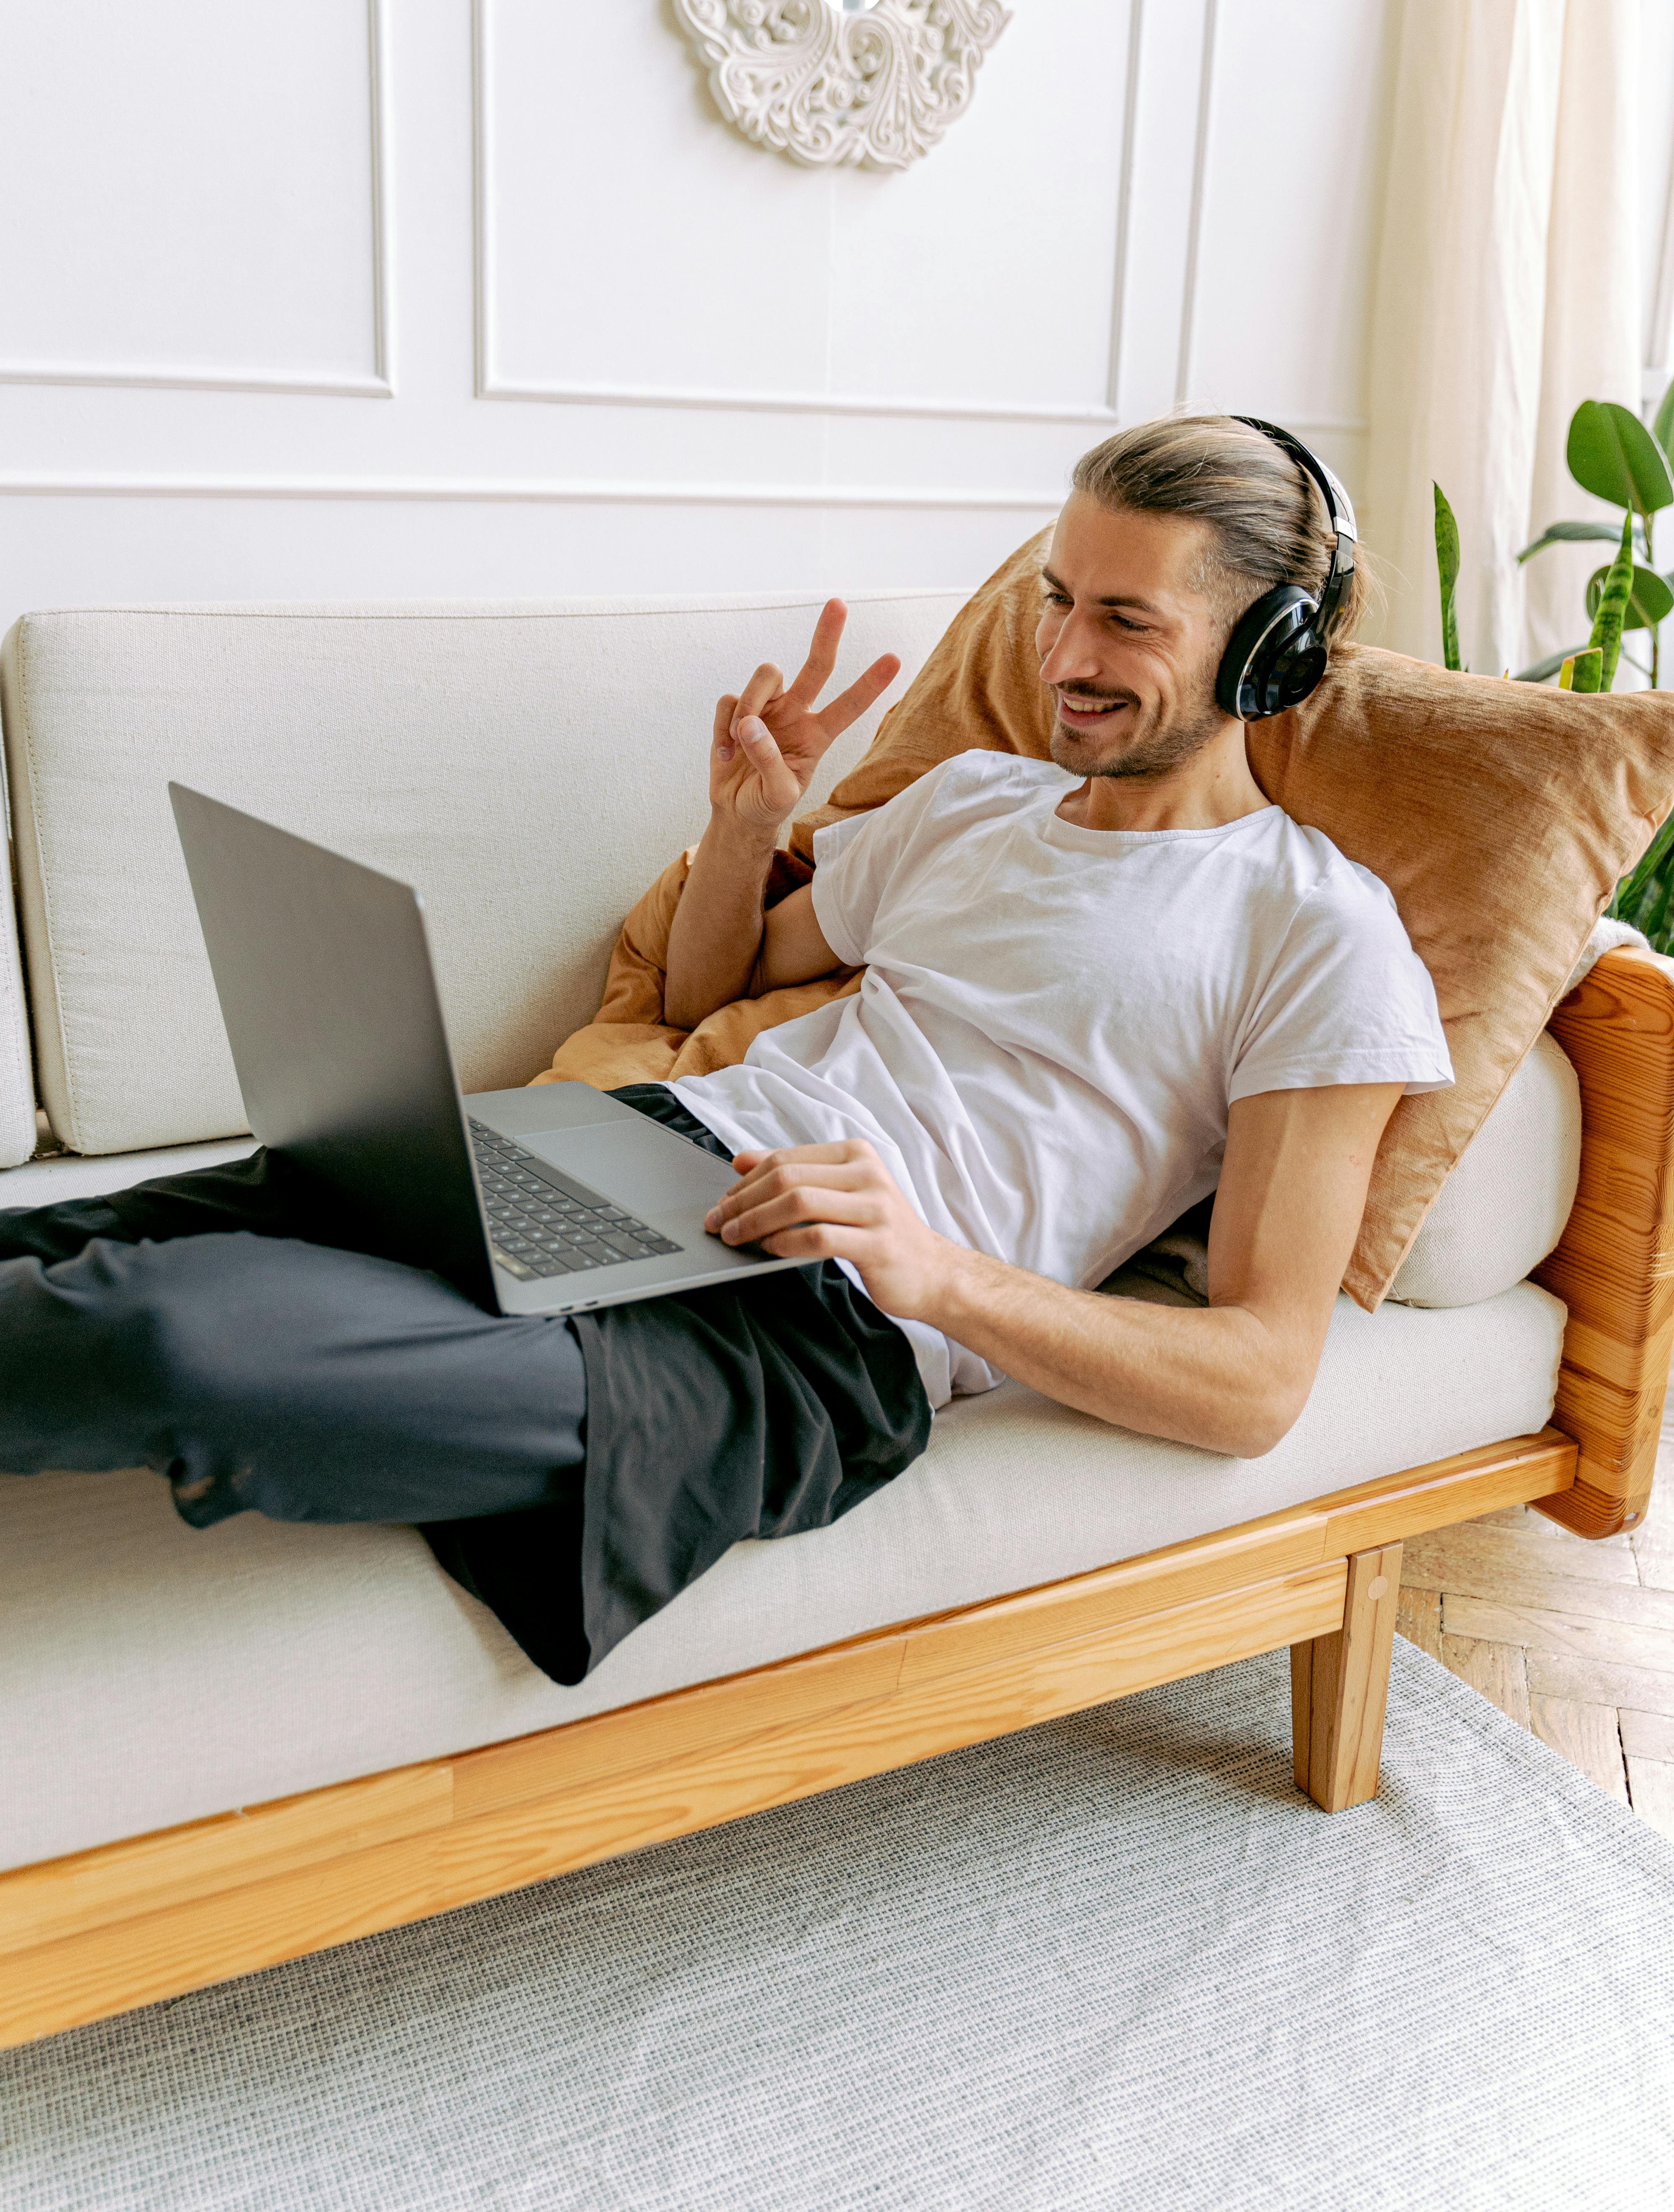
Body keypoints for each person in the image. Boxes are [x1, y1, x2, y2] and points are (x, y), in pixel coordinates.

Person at [0, 417, 1452, 1685]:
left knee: (167, 1335)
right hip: (643, 1155)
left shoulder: (1317, 934)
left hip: (815, 1330)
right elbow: (728, 976)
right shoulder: (976, 804)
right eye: (1059, 602)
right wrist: (753, 823)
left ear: (1268, 650)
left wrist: (935, 1269)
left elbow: (1260, 1380)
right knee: (99, 1235)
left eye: (1128, 622)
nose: (1066, 658)